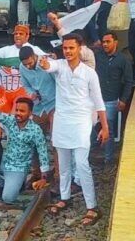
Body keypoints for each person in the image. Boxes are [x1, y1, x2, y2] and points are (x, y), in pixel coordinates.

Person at [41, 33, 108, 226]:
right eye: (65, 48)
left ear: (80, 48)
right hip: (62, 121)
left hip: (81, 122)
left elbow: (99, 102)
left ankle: (92, 207)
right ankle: (65, 197)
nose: (68, 51)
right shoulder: (59, 66)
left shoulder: (89, 73)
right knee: (63, 165)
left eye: (71, 48)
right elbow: (48, 66)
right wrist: (44, 64)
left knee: (81, 164)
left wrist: (104, 127)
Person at [0, 98, 50, 206]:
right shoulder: (11, 120)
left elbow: (43, 154)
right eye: (17, 110)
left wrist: (43, 178)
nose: (18, 113)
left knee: (8, 198)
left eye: (22, 111)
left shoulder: (35, 130)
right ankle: (6, 183)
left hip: (18, 168)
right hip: (4, 162)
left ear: (30, 113)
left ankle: (16, 184)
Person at [94, 31, 133, 166]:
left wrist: (123, 99)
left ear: (115, 43)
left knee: (108, 129)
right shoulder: (98, 57)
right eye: (103, 42)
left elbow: (129, 81)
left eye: (108, 41)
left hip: (111, 100)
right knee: (91, 126)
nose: (104, 44)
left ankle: (108, 158)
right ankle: (92, 153)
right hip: (94, 100)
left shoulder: (123, 60)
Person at [18, 46, 57, 134]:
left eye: (30, 63)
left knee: (55, 136)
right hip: (38, 106)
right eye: (25, 64)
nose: (27, 67)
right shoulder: (22, 67)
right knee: (33, 133)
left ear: (34, 56)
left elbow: (59, 82)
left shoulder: (48, 62)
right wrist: (31, 93)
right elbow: (26, 85)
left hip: (54, 103)